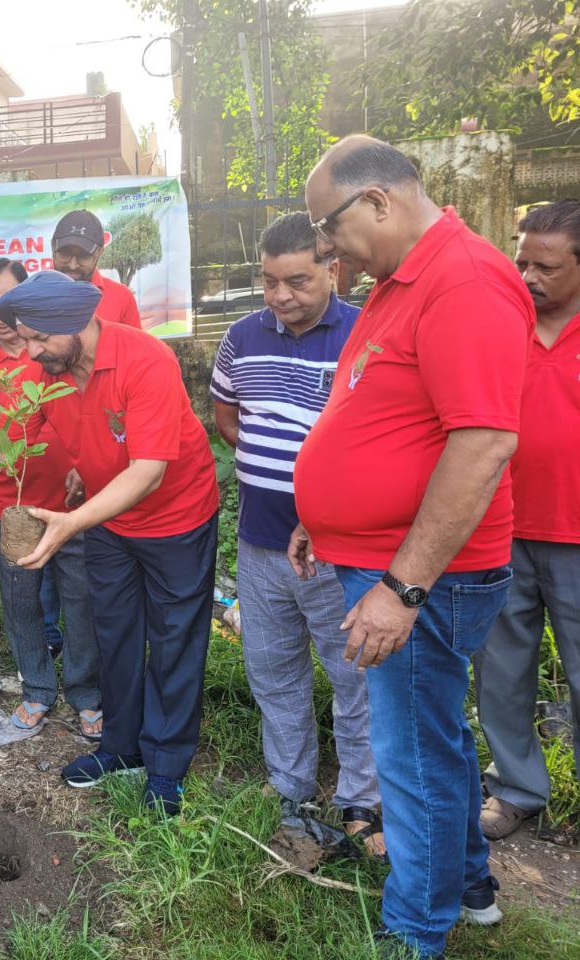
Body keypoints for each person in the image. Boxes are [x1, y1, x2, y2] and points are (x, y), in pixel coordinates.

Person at [293, 136, 532, 959]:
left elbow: (483, 444)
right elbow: (374, 412)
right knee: (436, 736)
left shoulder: (463, 282)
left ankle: (415, 931)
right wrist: (317, 514)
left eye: (331, 230)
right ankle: (466, 886)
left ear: (380, 203)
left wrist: (402, 588)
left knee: (413, 753)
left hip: (423, 575)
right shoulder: (402, 281)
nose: (328, 250)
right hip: (377, 554)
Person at [0, 269, 219, 816]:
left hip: (176, 519)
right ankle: (121, 747)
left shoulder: (145, 360)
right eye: (21, 337)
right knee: (116, 635)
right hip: (111, 522)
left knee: (174, 640)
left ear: (75, 323)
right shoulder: (49, 375)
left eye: (37, 337)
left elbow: (148, 470)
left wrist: (70, 523)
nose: (28, 350)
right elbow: (15, 445)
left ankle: (167, 764)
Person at [211, 213, 382, 855]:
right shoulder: (240, 336)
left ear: (332, 267)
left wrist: (321, 492)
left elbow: (382, 438)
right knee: (273, 668)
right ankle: (291, 784)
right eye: (270, 281)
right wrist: (277, 464)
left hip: (342, 548)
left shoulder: (366, 331)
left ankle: (362, 799)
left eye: (298, 281)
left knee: (355, 674)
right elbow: (226, 413)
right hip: (259, 539)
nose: (282, 295)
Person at [0, 259, 102, 736]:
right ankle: (37, 689)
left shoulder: (56, 354)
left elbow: (90, 420)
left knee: (80, 600)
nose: (2, 315)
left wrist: (84, 464)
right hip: (10, 507)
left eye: (10, 302)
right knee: (21, 603)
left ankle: (86, 693)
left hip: (69, 505)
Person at [474, 199, 580, 841]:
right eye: (522, 263)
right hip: (501, 528)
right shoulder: (500, 324)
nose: (529, 278)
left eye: (546, 266)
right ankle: (516, 787)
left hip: (576, 537)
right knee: (501, 670)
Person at [50, 209, 142, 328]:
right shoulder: (33, 295)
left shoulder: (122, 298)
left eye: (83, 256)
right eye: (65, 254)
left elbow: (135, 345)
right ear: (52, 246)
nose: (73, 265)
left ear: (99, 253)